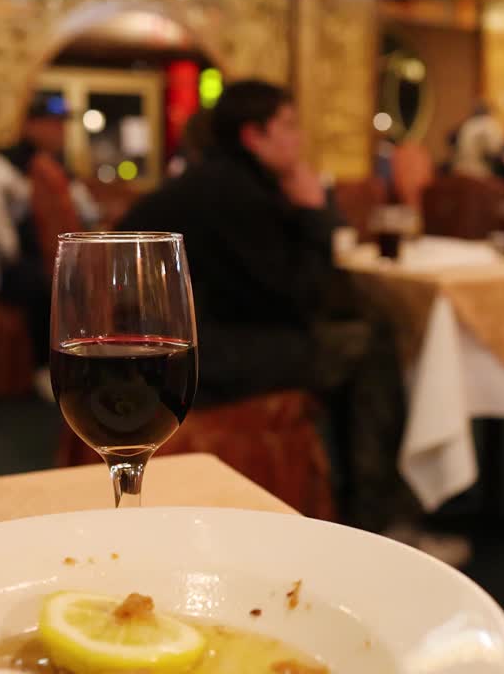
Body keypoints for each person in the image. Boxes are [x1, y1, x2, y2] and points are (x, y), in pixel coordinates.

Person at [118, 80, 410, 532]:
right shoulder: (240, 194)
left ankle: (368, 501)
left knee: (360, 330)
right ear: (254, 135)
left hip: (165, 346)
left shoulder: (209, 181)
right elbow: (299, 299)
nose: (299, 138)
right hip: (211, 357)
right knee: (370, 342)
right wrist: (314, 210)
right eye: (289, 126)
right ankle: (379, 517)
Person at [0, 95, 98, 399]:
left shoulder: (56, 168)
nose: (60, 132)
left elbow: (86, 210)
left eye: (62, 125)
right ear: (29, 125)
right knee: (45, 287)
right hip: (2, 264)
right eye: (52, 124)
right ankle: (44, 368)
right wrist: (22, 257)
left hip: (42, 255)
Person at [451, 102, 504, 178]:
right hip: (479, 173)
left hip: (460, 170)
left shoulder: (467, 124)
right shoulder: (489, 125)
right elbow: (494, 151)